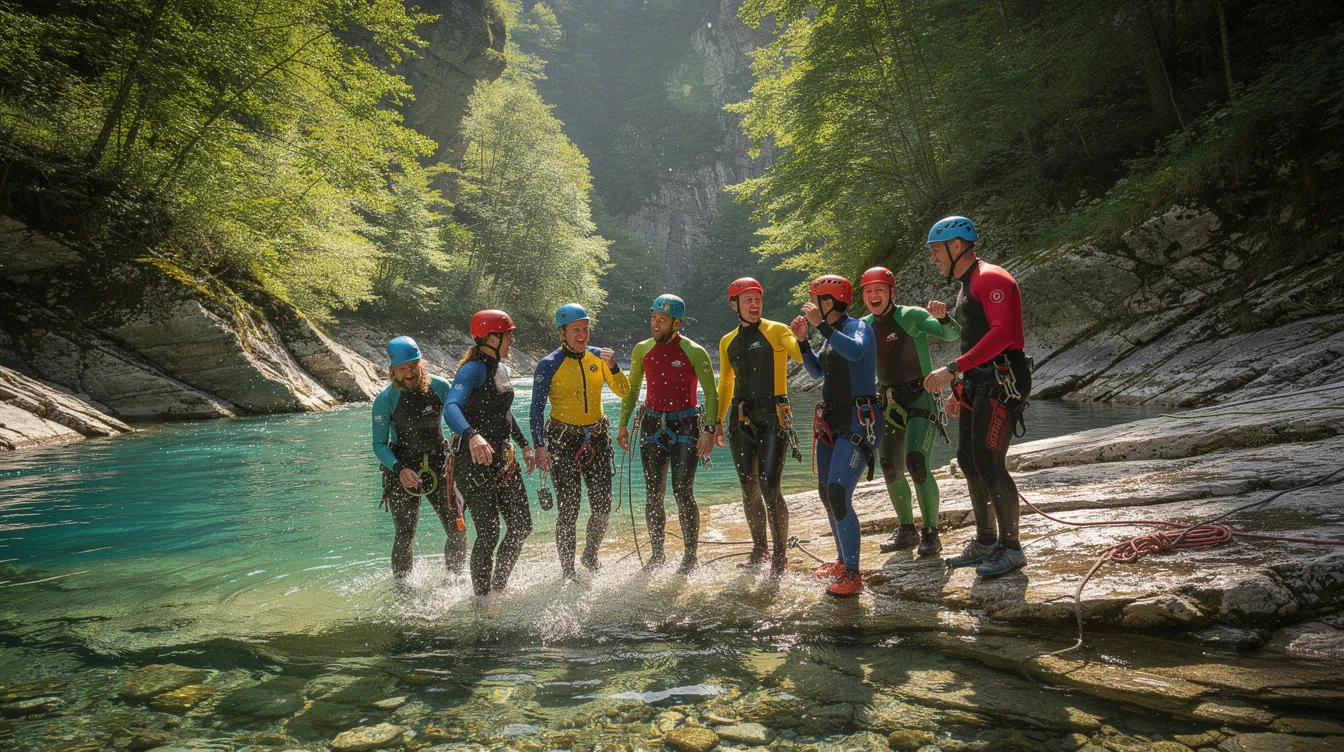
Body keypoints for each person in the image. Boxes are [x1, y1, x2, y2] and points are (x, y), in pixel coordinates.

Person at [921, 217, 1033, 578]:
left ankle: (1011, 548)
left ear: (956, 246)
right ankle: (986, 540)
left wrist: (952, 369)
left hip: (1003, 380)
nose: (933, 259)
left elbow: (1002, 335)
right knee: (968, 458)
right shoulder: (968, 283)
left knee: (989, 461)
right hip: (979, 381)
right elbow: (974, 335)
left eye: (936, 251)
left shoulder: (991, 278)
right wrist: (960, 387)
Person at [859, 267, 960, 558]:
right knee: (890, 466)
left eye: (879, 289)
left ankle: (931, 532)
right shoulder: (863, 325)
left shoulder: (911, 316)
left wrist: (944, 317)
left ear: (892, 292)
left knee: (916, 461)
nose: (873, 295)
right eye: (867, 291)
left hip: (921, 397)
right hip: (888, 402)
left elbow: (951, 334)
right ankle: (906, 529)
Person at [793, 275, 883, 597]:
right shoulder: (830, 336)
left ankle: (853, 573)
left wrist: (821, 328)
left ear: (828, 302)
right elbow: (818, 372)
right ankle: (842, 560)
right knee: (825, 493)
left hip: (861, 420)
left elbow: (857, 352)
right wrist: (805, 342)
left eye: (815, 298)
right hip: (833, 420)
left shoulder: (857, 327)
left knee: (837, 492)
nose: (810, 304)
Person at [617, 294, 719, 574]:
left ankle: (689, 555)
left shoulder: (695, 351)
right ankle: (658, 554)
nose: (656, 324)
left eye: (662, 320)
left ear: (676, 323)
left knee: (682, 491)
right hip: (651, 424)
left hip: (686, 425)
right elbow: (631, 390)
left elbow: (711, 392)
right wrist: (623, 424)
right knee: (653, 494)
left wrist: (709, 429)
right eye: (653, 318)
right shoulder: (641, 350)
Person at [530, 304, 631, 582]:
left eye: (585, 329)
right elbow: (535, 409)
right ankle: (568, 571)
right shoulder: (548, 364)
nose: (582, 335)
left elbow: (624, 391)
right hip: (562, 442)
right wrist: (539, 447)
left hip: (597, 440)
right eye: (576, 329)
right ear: (562, 332)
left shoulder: (599, 357)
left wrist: (614, 366)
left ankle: (590, 554)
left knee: (602, 507)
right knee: (569, 509)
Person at [715, 278, 804, 577]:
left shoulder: (777, 331)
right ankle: (759, 549)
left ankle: (780, 558)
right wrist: (714, 422)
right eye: (748, 300)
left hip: (773, 416)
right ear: (734, 304)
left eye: (758, 299)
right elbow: (725, 383)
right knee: (748, 488)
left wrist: (801, 338)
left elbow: (798, 353)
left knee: (769, 486)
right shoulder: (727, 341)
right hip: (740, 419)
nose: (755, 305)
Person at [444, 310, 536, 596]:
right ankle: (482, 600)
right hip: (472, 461)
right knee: (489, 532)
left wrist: (523, 444)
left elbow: (504, 412)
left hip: (502, 458)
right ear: (492, 337)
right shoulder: (471, 370)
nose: (512, 339)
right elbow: (451, 408)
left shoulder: (501, 369)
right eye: (508, 335)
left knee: (521, 525)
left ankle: (499, 586)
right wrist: (472, 436)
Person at [370, 336, 466, 580]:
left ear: (421, 363)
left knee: (458, 528)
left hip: (439, 462)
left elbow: (458, 419)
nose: (410, 373)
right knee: (405, 535)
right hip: (403, 468)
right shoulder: (385, 400)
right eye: (403, 369)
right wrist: (399, 469)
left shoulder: (441, 386)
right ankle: (403, 588)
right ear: (392, 371)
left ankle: (454, 580)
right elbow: (379, 444)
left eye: (414, 366)